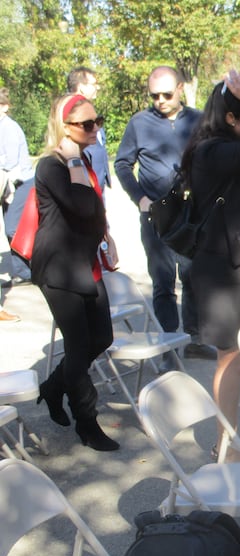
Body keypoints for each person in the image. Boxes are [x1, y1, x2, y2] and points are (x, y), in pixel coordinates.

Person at [180, 70, 240, 461]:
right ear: (231, 119)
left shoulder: (228, 153)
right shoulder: (211, 152)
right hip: (221, 270)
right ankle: (227, 443)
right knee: (231, 357)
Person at [33, 93, 120, 451]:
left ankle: (53, 387)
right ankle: (87, 424)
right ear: (64, 127)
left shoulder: (80, 159)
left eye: (97, 122)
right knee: (80, 345)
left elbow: (95, 209)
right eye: (87, 124)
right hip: (59, 267)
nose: (94, 129)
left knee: (103, 338)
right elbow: (83, 205)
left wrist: (107, 236)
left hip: (87, 262)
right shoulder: (53, 166)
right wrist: (72, 163)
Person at [115, 66, 215, 365]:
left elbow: (210, 160)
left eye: (167, 94)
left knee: (192, 277)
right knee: (162, 282)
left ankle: (194, 339)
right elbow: (122, 164)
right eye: (154, 95)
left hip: (189, 213)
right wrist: (140, 198)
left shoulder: (198, 121)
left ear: (180, 89)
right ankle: (168, 346)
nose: (160, 100)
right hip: (155, 214)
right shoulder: (139, 123)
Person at [0, 87, 34, 287]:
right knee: (9, 228)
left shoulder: (9, 128)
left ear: (4, 107)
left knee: (15, 227)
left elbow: (11, 161)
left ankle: (36, 267)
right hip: (8, 184)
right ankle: (22, 272)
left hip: (22, 183)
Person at [67, 67, 111, 193]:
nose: (98, 87)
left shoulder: (90, 111)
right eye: (94, 84)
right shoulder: (69, 115)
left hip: (97, 185)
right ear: (81, 87)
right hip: (83, 187)